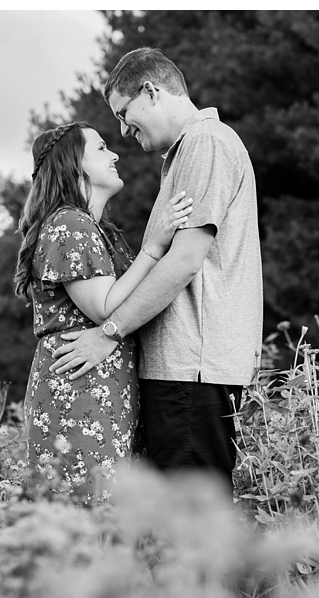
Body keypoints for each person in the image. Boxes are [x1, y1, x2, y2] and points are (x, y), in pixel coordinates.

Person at [49, 47, 264, 490]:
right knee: (183, 524)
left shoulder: (206, 142)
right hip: (185, 369)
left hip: (191, 369)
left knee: (192, 527)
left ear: (152, 92)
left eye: (125, 115)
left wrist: (109, 334)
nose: (125, 131)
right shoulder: (188, 152)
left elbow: (185, 261)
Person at [14, 121, 193, 504]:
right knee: (81, 512)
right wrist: (153, 247)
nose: (114, 154)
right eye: (100, 148)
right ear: (74, 163)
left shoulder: (100, 230)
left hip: (103, 387)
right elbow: (105, 307)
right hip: (80, 387)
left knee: (101, 514)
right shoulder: (69, 223)